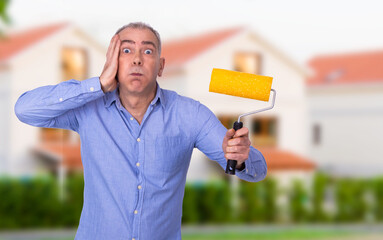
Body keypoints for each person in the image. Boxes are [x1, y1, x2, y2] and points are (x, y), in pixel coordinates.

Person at [14, 22, 267, 240]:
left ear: (160, 66)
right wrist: (97, 84)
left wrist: (242, 158)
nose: (137, 59)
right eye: (126, 50)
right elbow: (24, 109)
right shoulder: (87, 108)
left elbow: (257, 171)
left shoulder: (191, 115)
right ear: (112, 60)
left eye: (147, 50)